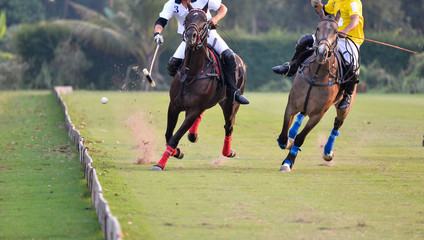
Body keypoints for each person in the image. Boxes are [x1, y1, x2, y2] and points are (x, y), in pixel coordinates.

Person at [154, 0, 249, 105]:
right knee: (172, 65)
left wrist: (215, 18)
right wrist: (157, 34)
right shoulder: (172, 4)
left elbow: (223, 8)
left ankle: (233, 92)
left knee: (229, 56)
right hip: (188, 39)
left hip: (209, 35)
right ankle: (180, 90)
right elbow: (161, 21)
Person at [272, 0, 364, 109]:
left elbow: (355, 20)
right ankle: (291, 67)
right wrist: (316, 4)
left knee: (352, 65)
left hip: (348, 39)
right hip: (330, 35)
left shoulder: (353, 2)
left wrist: (346, 30)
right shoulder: (334, 1)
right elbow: (323, 11)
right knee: (305, 40)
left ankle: (347, 96)